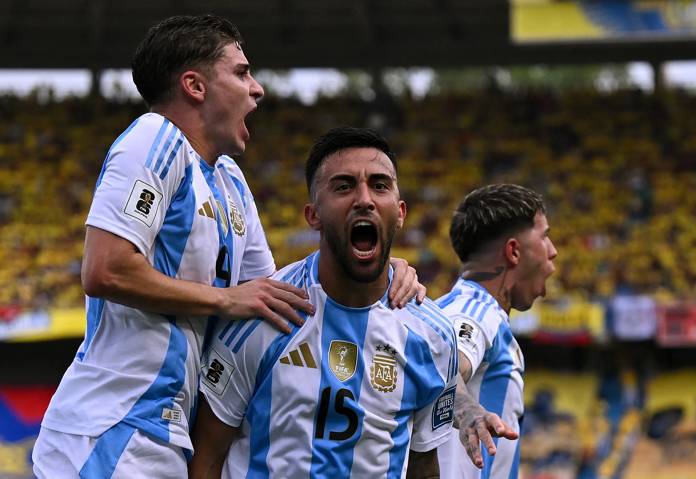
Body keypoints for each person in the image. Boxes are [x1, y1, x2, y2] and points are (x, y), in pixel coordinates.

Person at [32, 15, 422, 479]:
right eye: (241, 72)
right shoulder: (155, 138)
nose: (256, 89)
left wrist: (380, 269)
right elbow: (105, 270)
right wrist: (225, 298)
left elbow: (281, 295)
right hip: (114, 425)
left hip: (166, 435)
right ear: (195, 86)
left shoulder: (229, 182)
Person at [190, 127, 510, 478]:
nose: (365, 199)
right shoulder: (263, 312)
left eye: (379, 185)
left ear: (400, 212)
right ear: (313, 215)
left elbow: (423, 465)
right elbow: (207, 454)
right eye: (344, 186)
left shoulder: (432, 334)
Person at [437, 184, 558, 479]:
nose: (553, 251)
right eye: (544, 236)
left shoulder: (464, 309)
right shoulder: (474, 309)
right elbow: (440, 361)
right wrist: (466, 409)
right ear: (514, 251)